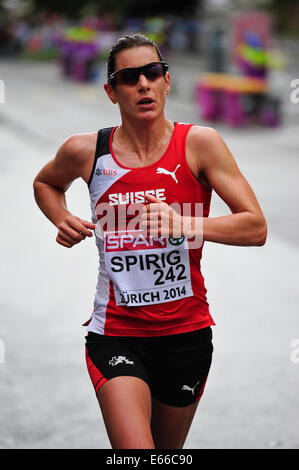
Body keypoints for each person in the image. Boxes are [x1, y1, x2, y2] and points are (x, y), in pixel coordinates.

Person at [33, 33, 267, 449]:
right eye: (129, 77)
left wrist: (186, 225)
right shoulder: (87, 151)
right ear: (111, 91)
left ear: (167, 82)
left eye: (153, 72)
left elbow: (255, 227)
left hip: (186, 334)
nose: (144, 84)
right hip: (116, 334)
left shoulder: (200, 144)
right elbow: (46, 183)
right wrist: (62, 217)